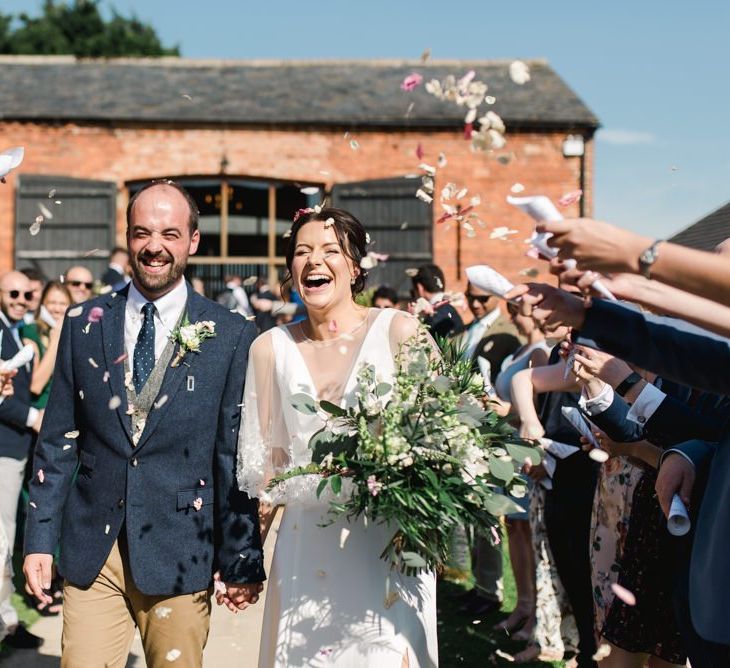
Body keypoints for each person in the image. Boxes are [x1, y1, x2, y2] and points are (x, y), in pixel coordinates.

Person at [23, 180, 265, 667]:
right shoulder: (82, 323)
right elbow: (57, 441)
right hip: (95, 549)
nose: (155, 247)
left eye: (170, 234)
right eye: (142, 233)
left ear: (193, 241)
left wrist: (240, 558)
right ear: (128, 237)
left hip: (181, 549)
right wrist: (39, 538)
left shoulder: (232, 335)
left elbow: (233, 454)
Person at [237, 207, 438, 667]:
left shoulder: (399, 332)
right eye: (302, 252)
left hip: (389, 545)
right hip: (307, 546)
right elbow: (265, 473)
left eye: (330, 251)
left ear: (355, 266)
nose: (314, 261)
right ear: (290, 269)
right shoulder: (269, 349)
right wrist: (245, 563)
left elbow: (441, 437)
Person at [453, 284, 521, 618]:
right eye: (471, 298)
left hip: (493, 433)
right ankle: (480, 585)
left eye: (483, 299)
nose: (476, 304)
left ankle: (491, 589)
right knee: (472, 512)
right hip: (467, 432)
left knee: (488, 513)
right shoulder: (469, 330)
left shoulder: (507, 332)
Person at [0, 271, 44, 650]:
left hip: (16, 449)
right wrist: (33, 418)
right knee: (2, 540)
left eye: (26, 292)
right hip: (4, 448)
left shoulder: (18, 328)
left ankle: (8, 622)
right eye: (12, 292)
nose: (20, 298)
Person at [411, 263, 465, 339]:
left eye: (413, 291)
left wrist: (411, 319)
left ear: (420, 288)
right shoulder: (447, 309)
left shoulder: (435, 316)